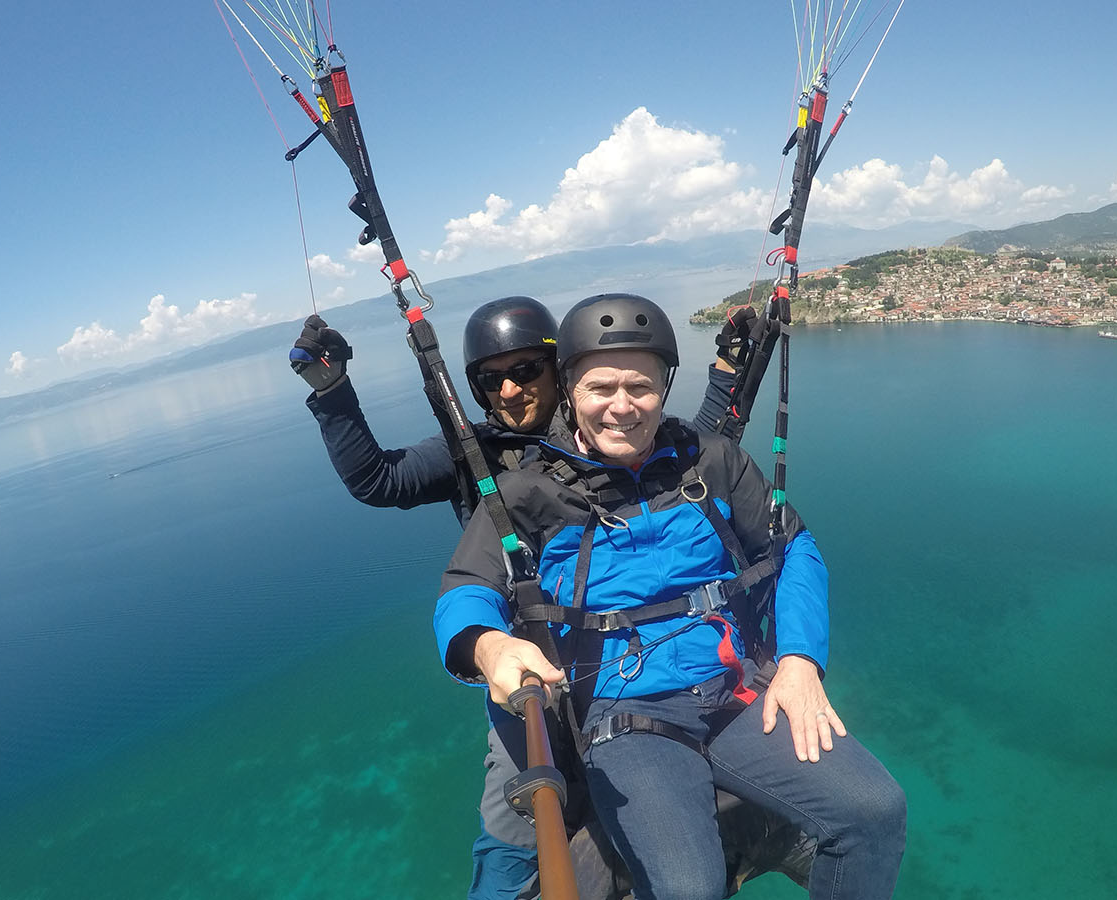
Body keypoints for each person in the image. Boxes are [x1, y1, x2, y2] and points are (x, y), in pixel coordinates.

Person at [434, 293, 906, 900]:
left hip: (736, 693)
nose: (622, 407)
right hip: (628, 718)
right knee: (687, 887)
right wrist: (489, 644)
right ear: (571, 390)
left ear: (665, 387)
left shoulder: (712, 461)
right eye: (601, 388)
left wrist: (799, 659)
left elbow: (793, 548)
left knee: (874, 810)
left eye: (642, 386)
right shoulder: (524, 495)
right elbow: (466, 589)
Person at [291, 296, 763, 899]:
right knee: (516, 828)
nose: (510, 391)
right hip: (529, 675)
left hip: (623, 669)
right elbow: (379, 480)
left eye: (525, 372)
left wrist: (727, 370)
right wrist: (331, 393)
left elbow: (693, 460)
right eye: (491, 380)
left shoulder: (606, 436)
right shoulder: (478, 453)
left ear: (560, 370)